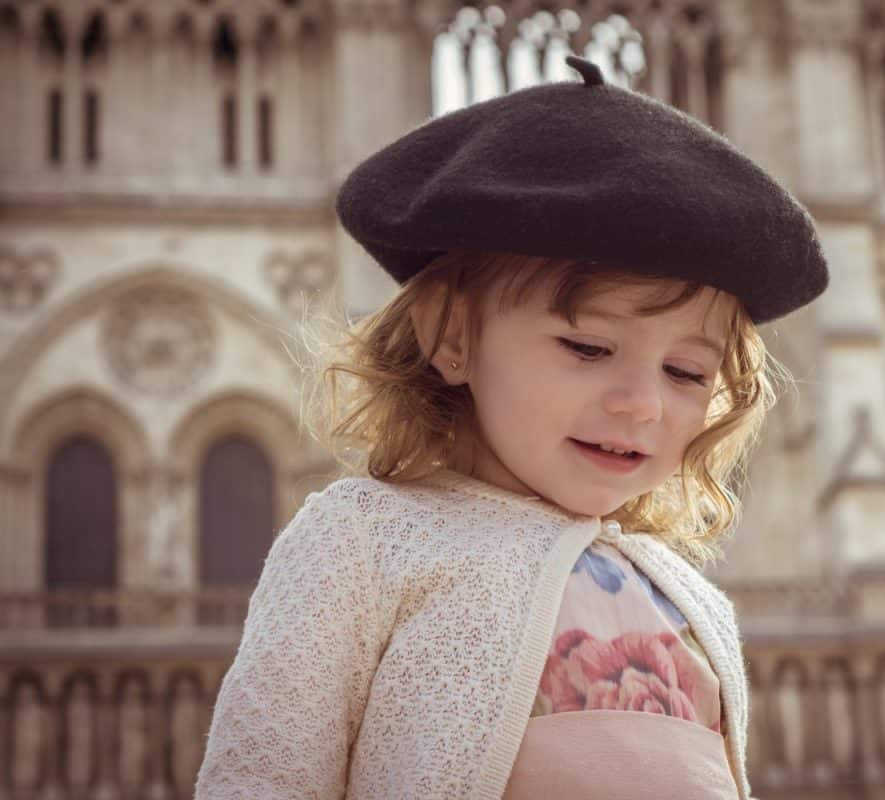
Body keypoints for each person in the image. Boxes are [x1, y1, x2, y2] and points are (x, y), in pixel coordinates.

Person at [194, 54, 828, 800]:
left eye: (687, 373)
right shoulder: (361, 541)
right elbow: (261, 779)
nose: (642, 404)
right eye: (588, 347)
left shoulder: (693, 599)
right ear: (452, 337)